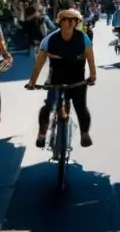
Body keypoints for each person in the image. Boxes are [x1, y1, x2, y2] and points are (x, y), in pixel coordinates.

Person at [26, 8, 96, 147]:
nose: (71, 23)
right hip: (56, 78)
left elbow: (90, 57)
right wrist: (32, 82)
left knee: (81, 107)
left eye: (74, 20)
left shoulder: (83, 38)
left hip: (77, 78)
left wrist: (93, 76)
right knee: (49, 105)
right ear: (60, 22)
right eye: (67, 20)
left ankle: (84, 134)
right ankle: (42, 134)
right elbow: (39, 63)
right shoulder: (49, 40)